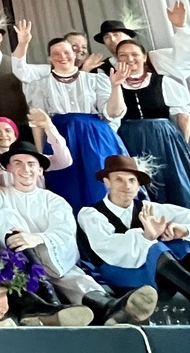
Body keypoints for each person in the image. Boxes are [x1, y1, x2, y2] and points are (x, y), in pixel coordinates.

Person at [77, 154, 190, 324]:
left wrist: (183, 230)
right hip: (121, 276)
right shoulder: (91, 214)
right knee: (155, 247)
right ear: (107, 182)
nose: (127, 186)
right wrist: (147, 236)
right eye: (119, 180)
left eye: (132, 180)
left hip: (158, 276)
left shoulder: (148, 208)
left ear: (138, 185)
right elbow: (107, 248)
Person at [0, 145, 102, 326]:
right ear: (8, 168)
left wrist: (37, 238)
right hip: (16, 266)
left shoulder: (54, 200)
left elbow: (64, 231)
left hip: (54, 262)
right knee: (6, 216)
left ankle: (110, 308)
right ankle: (49, 304)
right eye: (17, 163)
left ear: (40, 170)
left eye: (31, 164)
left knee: (80, 282)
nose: (25, 169)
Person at [10, 20, 127, 210]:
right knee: (66, 185)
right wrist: (41, 155)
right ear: (50, 58)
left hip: (95, 137)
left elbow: (112, 112)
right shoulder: (41, 84)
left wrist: (116, 87)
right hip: (60, 137)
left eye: (66, 52)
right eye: (56, 54)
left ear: (74, 54)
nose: (62, 57)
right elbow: (38, 122)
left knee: (100, 182)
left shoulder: (96, 80)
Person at [113, 38, 190, 206]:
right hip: (130, 139)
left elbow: (183, 116)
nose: (130, 59)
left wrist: (180, 145)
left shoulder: (163, 82)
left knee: (174, 182)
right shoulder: (112, 85)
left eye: (135, 54)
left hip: (163, 140)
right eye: (123, 55)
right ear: (117, 59)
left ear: (144, 57)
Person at [85, 2, 190, 77]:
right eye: (106, 37)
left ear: (128, 36)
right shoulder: (102, 69)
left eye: (116, 34)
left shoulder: (153, 59)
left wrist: (181, 27)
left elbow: (186, 60)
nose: (112, 39)